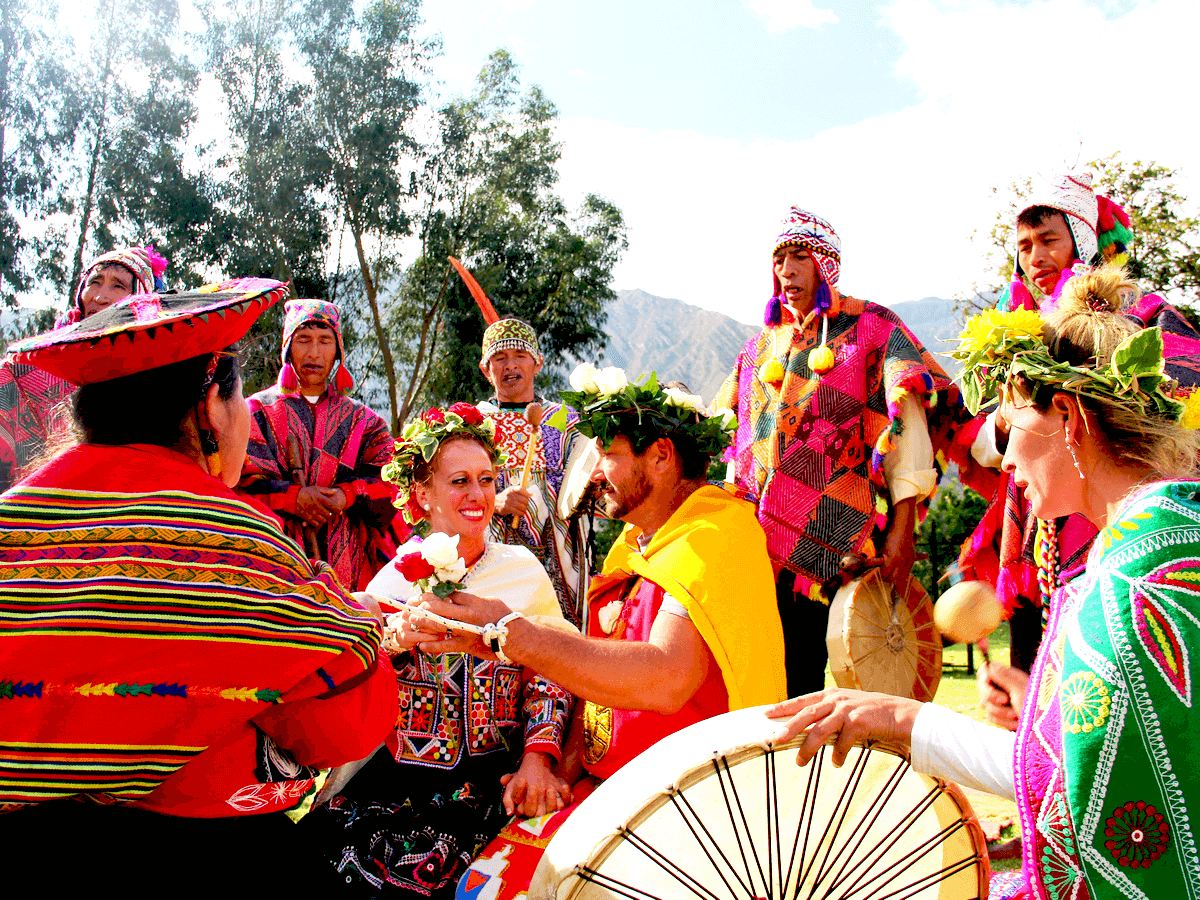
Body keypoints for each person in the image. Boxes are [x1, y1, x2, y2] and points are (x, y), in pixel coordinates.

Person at [769, 266, 1200, 899]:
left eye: (1010, 427)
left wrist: (900, 718)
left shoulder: (1132, 586)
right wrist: (1049, 713)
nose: (1006, 458)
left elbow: (1074, 794)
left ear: (1068, 416)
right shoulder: (1158, 542)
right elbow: (1101, 759)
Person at [0, 279, 398, 889]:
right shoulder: (242, 545)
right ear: (211, 404)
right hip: (194, 846)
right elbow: (345, 726)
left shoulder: (14, 517)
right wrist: (338, 601)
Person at [412, 367, 788, 900]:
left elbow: (665, 679)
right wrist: (555, 770)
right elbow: (594, 682)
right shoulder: (639, 545)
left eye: (607, 454)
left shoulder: (717, 537)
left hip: (682, 809)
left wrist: (510, 633)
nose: (592, 474)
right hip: (602, 791)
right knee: (482, 886)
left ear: (659, 456)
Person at [302, 401, 574, 897]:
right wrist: (392, 642)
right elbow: (354, 678)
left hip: (493, 781)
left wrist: (537, 758)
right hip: (397, 782)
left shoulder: (522, 571)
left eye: (487, 480)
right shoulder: (396, 575)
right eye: (460, 481)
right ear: (422, 494)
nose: (478, 495)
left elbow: (552, 669)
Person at [959, 172, 1200, 726]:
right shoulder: (1015, 334)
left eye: (1049, 240)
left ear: (1082, 241)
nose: (1035, 256)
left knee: (1115, 685)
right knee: (1032, 686)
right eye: (1024, 246)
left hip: (1122, 523)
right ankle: (1039, 789)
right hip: (1038, 529)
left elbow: (1182, 400)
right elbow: (989, 442)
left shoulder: (1140, 316)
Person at [712, 206, 965, 697]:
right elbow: (727, 436)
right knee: (771, 684)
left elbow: (908, 429)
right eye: (780, 258)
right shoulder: (758, 349)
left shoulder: (873, 329)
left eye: (800, 256)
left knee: (844, 685)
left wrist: (903, 529)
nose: (786, 270)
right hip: (756, 547)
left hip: (842, 535)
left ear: (826, 263)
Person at [239, 298, 403, 591]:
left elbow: (393, 486)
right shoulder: (254, 412)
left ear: (337, 348)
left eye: (325, 341)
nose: (314, 353)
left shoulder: (365, 422)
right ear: (288, 346)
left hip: (351, 572)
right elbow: (237, 486)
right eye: (303, 340)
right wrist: (292, 498)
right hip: (273, 567)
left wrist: (347, 495)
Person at [0, 245, 168, 492]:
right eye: (95, 282)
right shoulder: (34, 364)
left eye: (118, 286)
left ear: (139, 299)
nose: (100, 296)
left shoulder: (157, 371)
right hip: (35, 500)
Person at [477, 318, 594, 626]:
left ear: (537, 363)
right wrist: (495, 501)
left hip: (559, 550)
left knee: (559, 630)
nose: (510, 366)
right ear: (485, 369)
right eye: (499, 358)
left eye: (520, 356)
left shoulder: (565, 420)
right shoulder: (475, 425)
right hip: (496, 543)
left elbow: (585, 476)